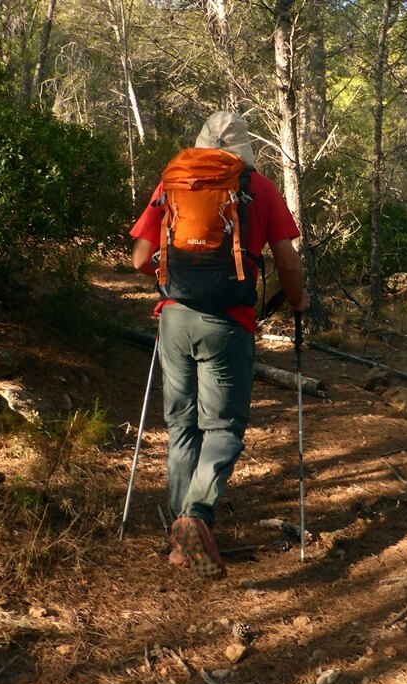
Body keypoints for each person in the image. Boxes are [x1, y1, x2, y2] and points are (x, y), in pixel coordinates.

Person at [130, 111, 310, 580]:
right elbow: (288, 264)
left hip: (173, 318)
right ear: (243, 151)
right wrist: (298, 302)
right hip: (228, 322)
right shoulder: (260, 188)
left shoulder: (173, 182)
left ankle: (180, 537)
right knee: (224, 427)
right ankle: (197, 517)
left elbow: (139, 259)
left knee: (181, 424)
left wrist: (173, 281)